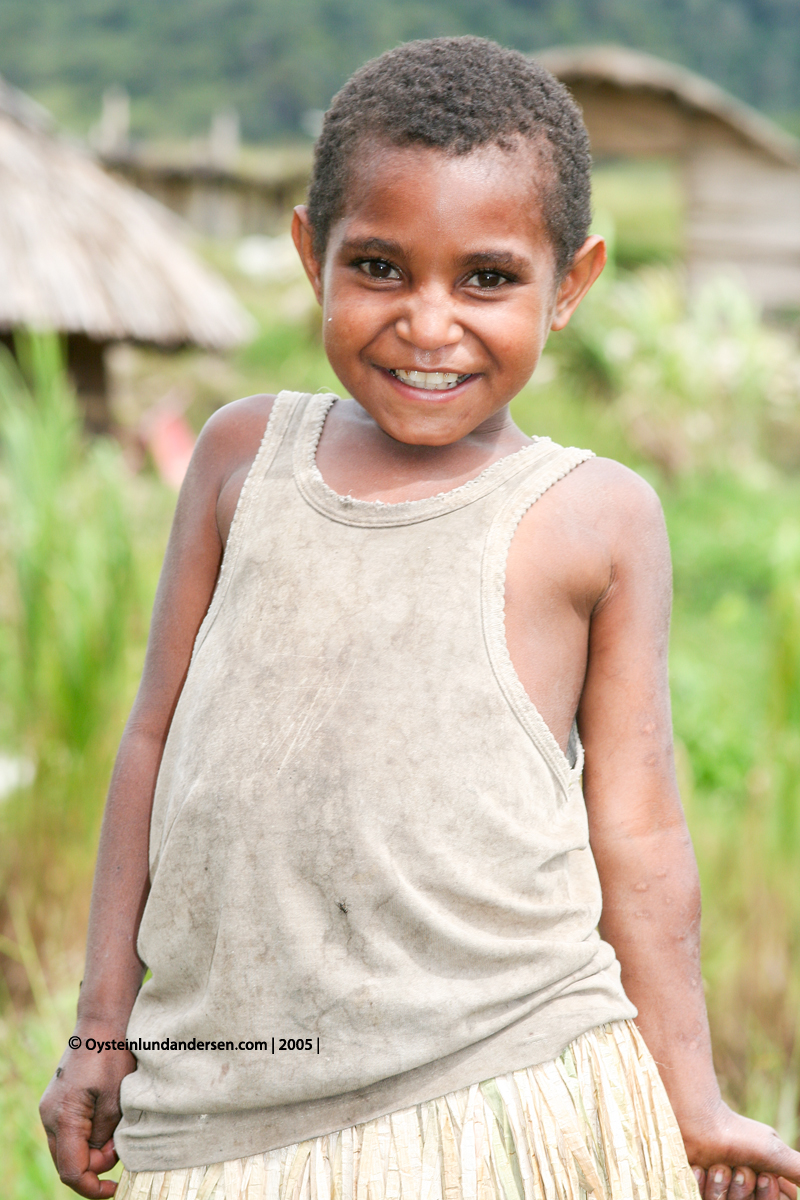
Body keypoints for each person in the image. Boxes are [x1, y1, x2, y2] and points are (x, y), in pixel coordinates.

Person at [40, 36, 800, 1200]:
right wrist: (101, 1034)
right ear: (310, 255)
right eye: (381, 267)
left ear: (571, 287)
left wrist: (688, 1100)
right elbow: (152, 749)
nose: (428, 322)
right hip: (229, 1113)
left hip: (508, 1092)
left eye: (487, 278)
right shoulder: (243, 458)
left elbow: (639, 833)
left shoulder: (592, 516)